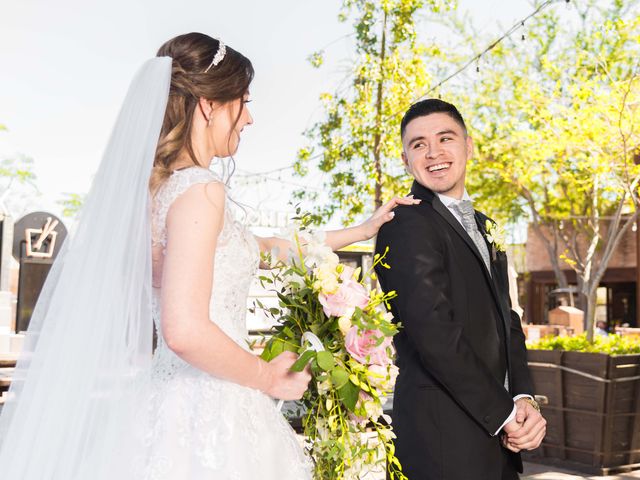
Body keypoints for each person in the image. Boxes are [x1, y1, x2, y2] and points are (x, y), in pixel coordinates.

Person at [0, 33, 417, 479]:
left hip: (165, 401)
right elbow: (184, 329)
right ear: (208, 105)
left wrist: (363, 228)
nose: (250, 118)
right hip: (212, 408)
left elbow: (269, 249)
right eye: (243, 100)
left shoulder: (155, 192)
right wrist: (266, 376)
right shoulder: (200, 190)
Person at [375, 99, 546, 479]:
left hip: (499, 435)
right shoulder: (403, 224)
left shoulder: (486, 225)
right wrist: (504, 415)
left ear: (468, 146)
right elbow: (434, 333)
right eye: (418, 144)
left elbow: (508, 319)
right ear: (406, 160)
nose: (433, 152)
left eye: (445, 138)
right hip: (442, 440)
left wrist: (523, 399)